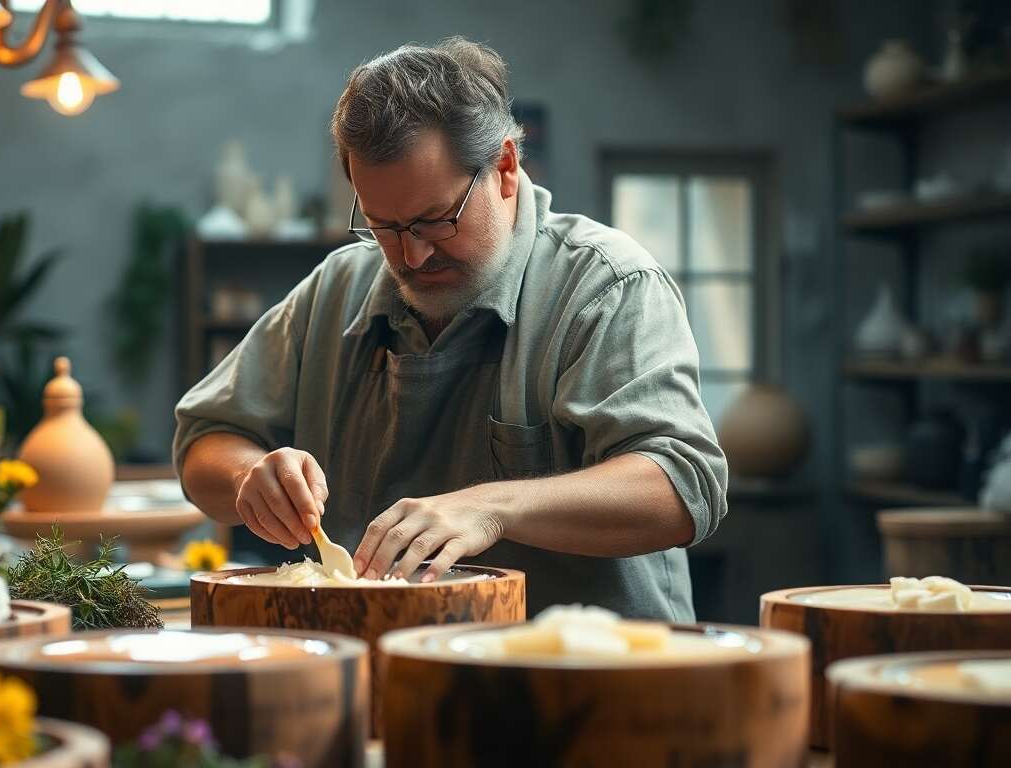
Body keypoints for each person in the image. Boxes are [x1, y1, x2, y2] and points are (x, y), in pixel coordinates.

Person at [173, 37, 727, 620]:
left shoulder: (606, 287)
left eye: (435, 221)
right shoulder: (338, 287)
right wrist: (247, 477)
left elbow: (682, 487)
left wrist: (492, 507)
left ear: (506, 168)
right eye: (384, 227)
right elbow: (202, 440)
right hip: (384, 673)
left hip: (583, 680)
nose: (411, 256)